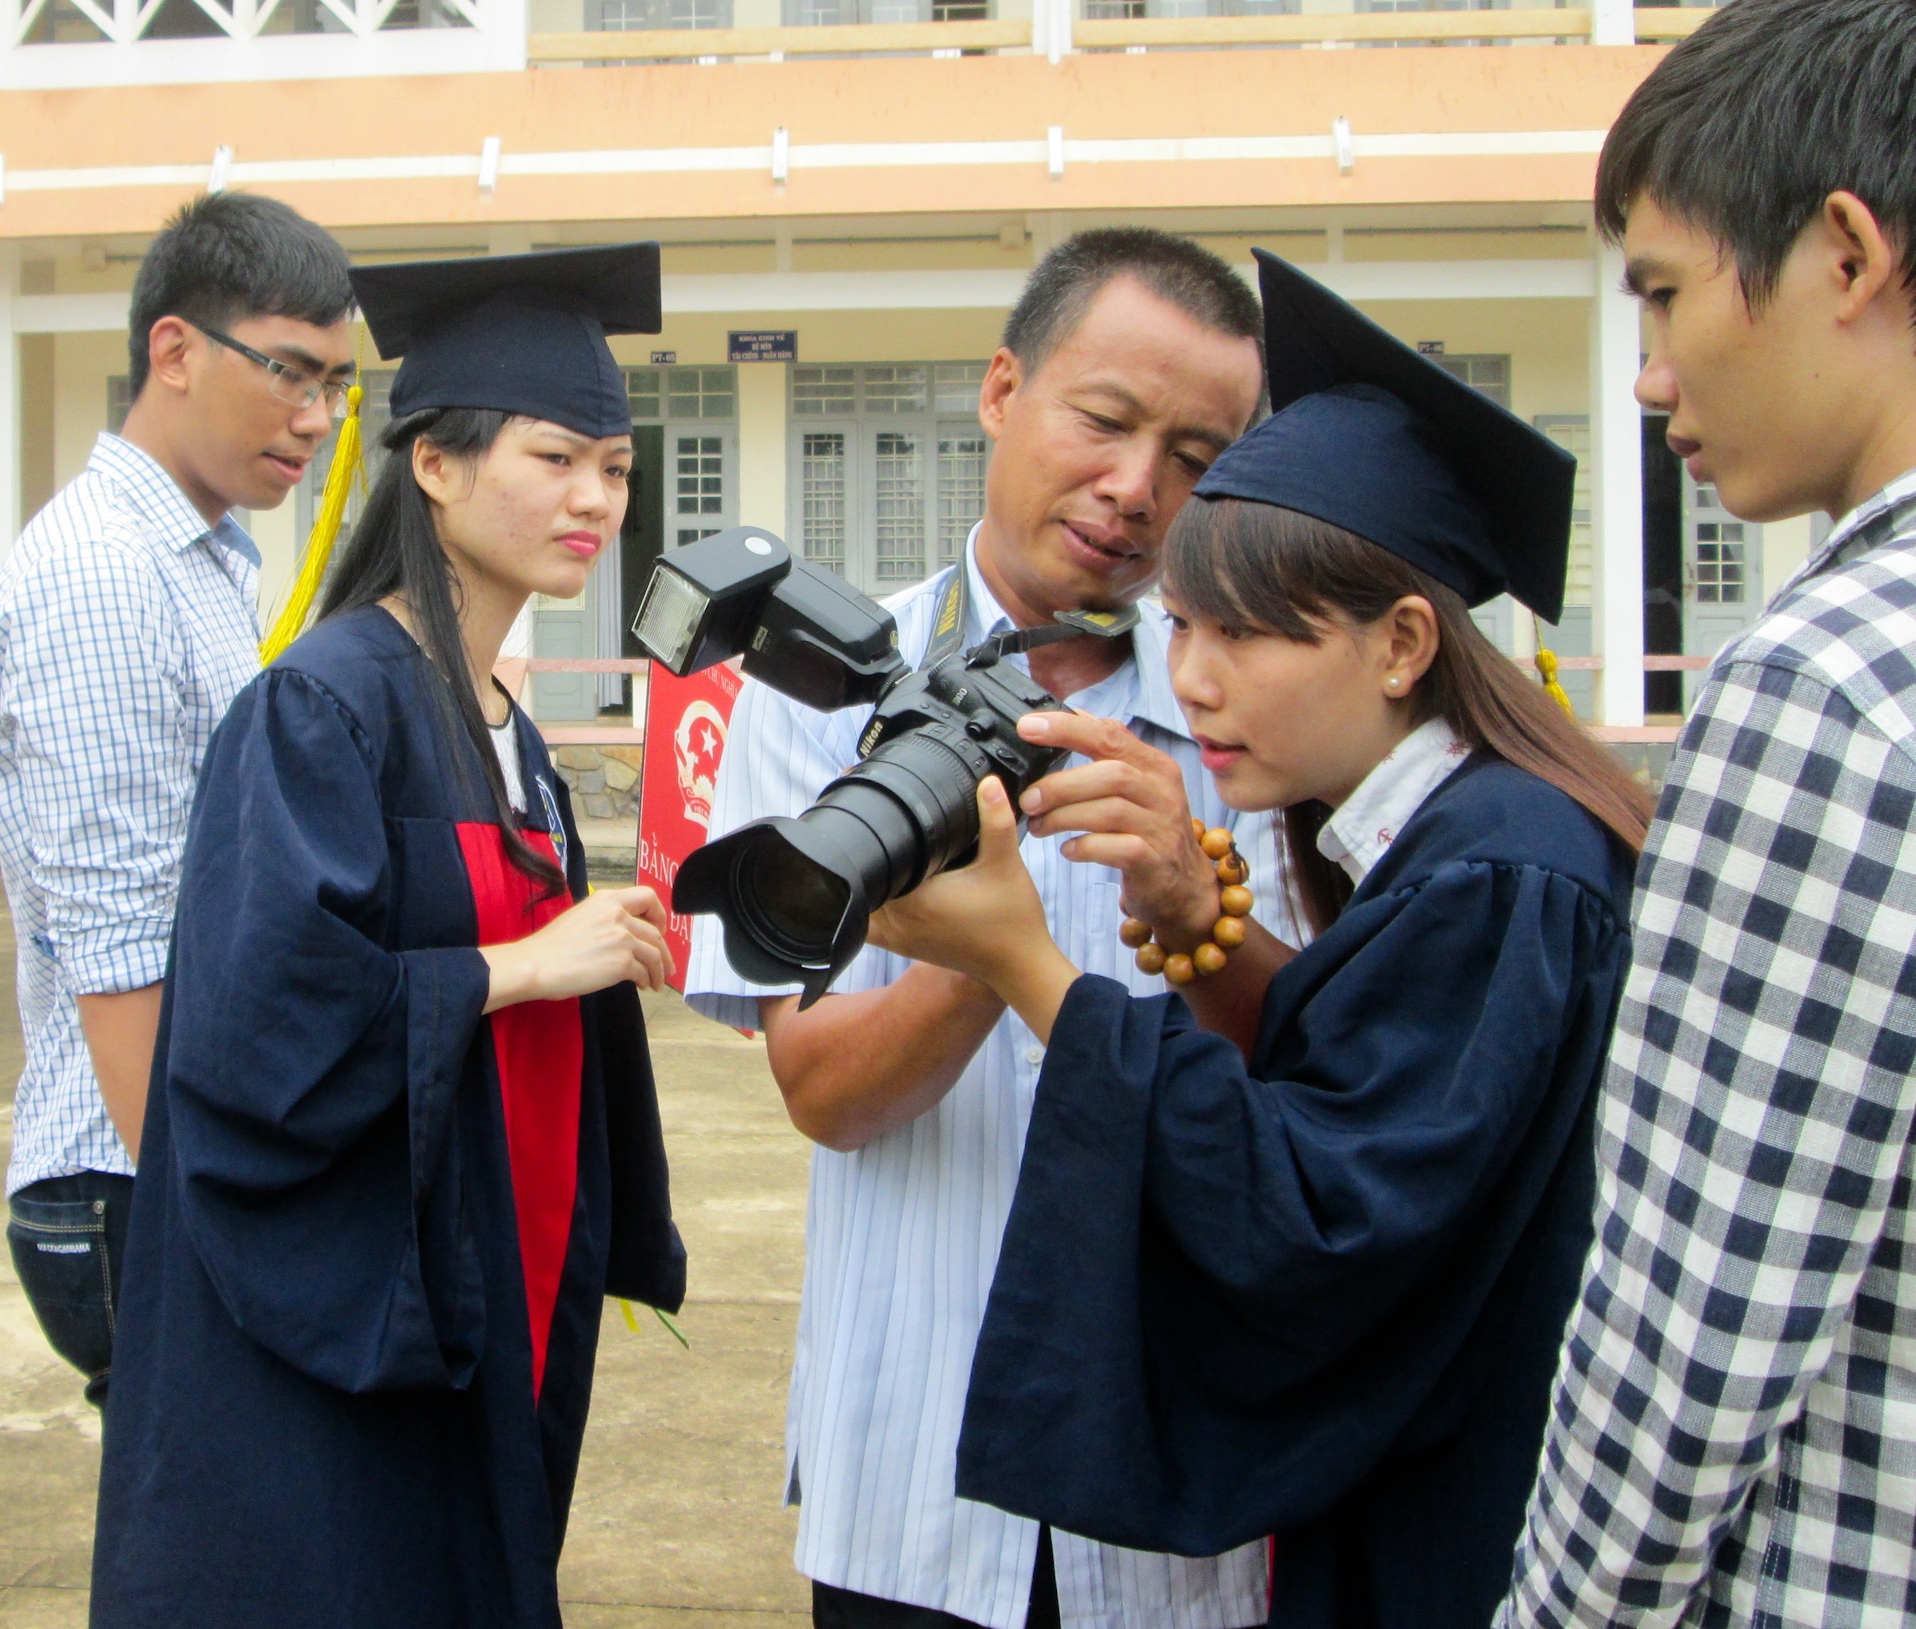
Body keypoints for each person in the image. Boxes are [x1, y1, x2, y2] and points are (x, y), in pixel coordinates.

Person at [868, 252, 1656, 1629]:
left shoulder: (1508, 875)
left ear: (1406, 641)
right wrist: (1193, 923)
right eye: (1181, 624)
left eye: (1241, 631)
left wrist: (1026, 965)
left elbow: (1321, 1216)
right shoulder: (1453, 847)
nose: (1192, 677)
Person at [685, 228, 1283, 1629]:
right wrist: (987, 957)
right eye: (1106, 418)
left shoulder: (1241, 704)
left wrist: (1200, 919)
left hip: (1173, 1491)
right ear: (1002, 390)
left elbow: (1307, 1085)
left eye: (1197, 456)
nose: (1138, 489)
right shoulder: (815, 686)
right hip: (912, 1472)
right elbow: (821, 1091)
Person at [89, 244, 687, 1629]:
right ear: (433, 463)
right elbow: (257, 1028)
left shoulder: (497, 718)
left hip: (500, 1266)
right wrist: (529, 965)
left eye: (614, 464)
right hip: (369, 1303)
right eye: (556, 457)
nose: (596, 497)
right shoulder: (329, 704)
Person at [1499, 2, 1916, 1624]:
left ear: (1843, 251)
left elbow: (1690, 1329)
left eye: (1665, 290)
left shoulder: (1830, 686)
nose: (1658, 371)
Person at [0, 191, 354, 1408]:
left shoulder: (198, 557)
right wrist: (222, 1231)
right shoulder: (105, 579)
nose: (319, 419)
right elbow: (122, 946)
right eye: (291, 371)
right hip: (140, 1182)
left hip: (178, 1159)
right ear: (174, 352)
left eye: (339, 385)